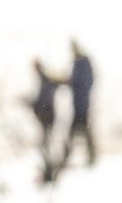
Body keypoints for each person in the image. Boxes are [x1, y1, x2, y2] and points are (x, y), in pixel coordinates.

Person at [58, 40, 97, 170]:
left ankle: (69, 158)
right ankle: (67, 158)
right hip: (77, 106)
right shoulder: (76, 63)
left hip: (82, 106)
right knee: (79, 133)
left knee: (81, 132)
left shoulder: (83, 62)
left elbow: (83, 82)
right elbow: (74, 82)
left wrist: (71, 82)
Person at [28, 59, 62, 183]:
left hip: (47, 115)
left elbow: (44, 99)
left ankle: (49, 171)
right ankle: (49, 170)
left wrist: (37, 107)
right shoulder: (45, 79)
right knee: (45, 145)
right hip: (47, 115)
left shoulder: (45, 80)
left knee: (46, 145)